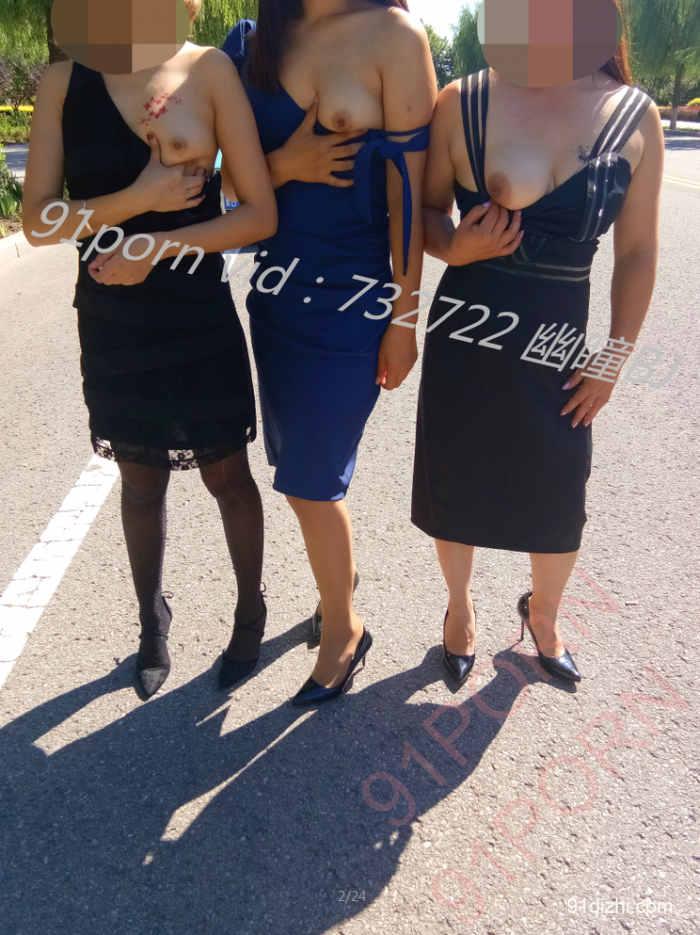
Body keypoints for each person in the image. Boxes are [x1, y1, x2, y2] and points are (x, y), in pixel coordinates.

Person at [22, 0, 278, 698]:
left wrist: (155, 246)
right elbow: (38, 221)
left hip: (196, 311)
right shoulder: (64, 81)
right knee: (139, 482)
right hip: (113, 319)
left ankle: (250, 611)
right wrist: (140, 196)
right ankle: (150, 621)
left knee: (228, 477)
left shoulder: (210, 70)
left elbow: (259, 214)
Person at [412, 7, 664, 685]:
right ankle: (460, 608)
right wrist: (454, 245)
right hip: (468, 331)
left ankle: (543, 615)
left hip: (560, 346)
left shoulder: (636, 115)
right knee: (457, 481)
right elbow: (425, 215)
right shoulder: (461, 101)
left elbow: (637, 251)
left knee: (558, 493)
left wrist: (615, 357)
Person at [222, 0, 437, 706]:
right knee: (299, 472)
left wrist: (405, 317)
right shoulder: (253, 42)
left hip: (354, 302)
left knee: (310, 482)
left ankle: (345, 630)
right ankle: (336, 587)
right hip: (277, 297)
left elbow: (408, 196)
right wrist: (284, 163)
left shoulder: (394, 36)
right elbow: (221, 182)